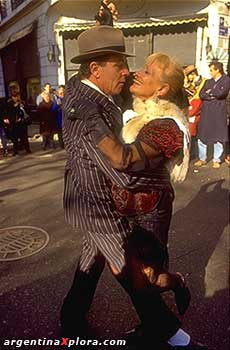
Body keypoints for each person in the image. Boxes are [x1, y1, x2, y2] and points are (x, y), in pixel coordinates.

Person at [61, 25, 207, 349]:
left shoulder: (162, 123)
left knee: (120, 266)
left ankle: (73, 318)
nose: (130, 73)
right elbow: (117, 163)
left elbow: (125, 161)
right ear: (95, 70)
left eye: (142, 70)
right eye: (121, 65)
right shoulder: (86, 104)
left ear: (162, 90)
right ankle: (172, 334)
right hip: (97, 202)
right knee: (126, 270)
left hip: (144, 205)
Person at [194, 61, 230, 169]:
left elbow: (221, 93)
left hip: (219, 112)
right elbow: (201, 94)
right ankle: (202, 158)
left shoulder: (226, 80)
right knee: (202, 134)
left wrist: (209, 93)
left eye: (211, 70)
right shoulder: (207, 82)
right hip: (207, 112)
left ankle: (216, 159)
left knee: (218, 136)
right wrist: (211, 94)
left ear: (217, 70)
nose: (210, 72)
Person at [183, 65, 206, 159]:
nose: (188, 78)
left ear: (193, 74)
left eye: (189, 76)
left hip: (199, 109)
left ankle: (197, 153)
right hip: (191, 108)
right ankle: (192, 152)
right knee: (191, 132)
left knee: (198, 133)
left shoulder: (204, 82)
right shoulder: (190, 83)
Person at [4, 83, 31, 155]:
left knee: (24, 136)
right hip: (14, 123)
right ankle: (15, 151)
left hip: (22, 122)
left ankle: (27, 149)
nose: (16, 98)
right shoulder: (9, 103)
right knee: (15, 137)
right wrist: (15, 107)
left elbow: (27, 111)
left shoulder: (22, 102)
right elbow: (8, 113)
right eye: (14, 96)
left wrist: (22, 105)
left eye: (17, 96)